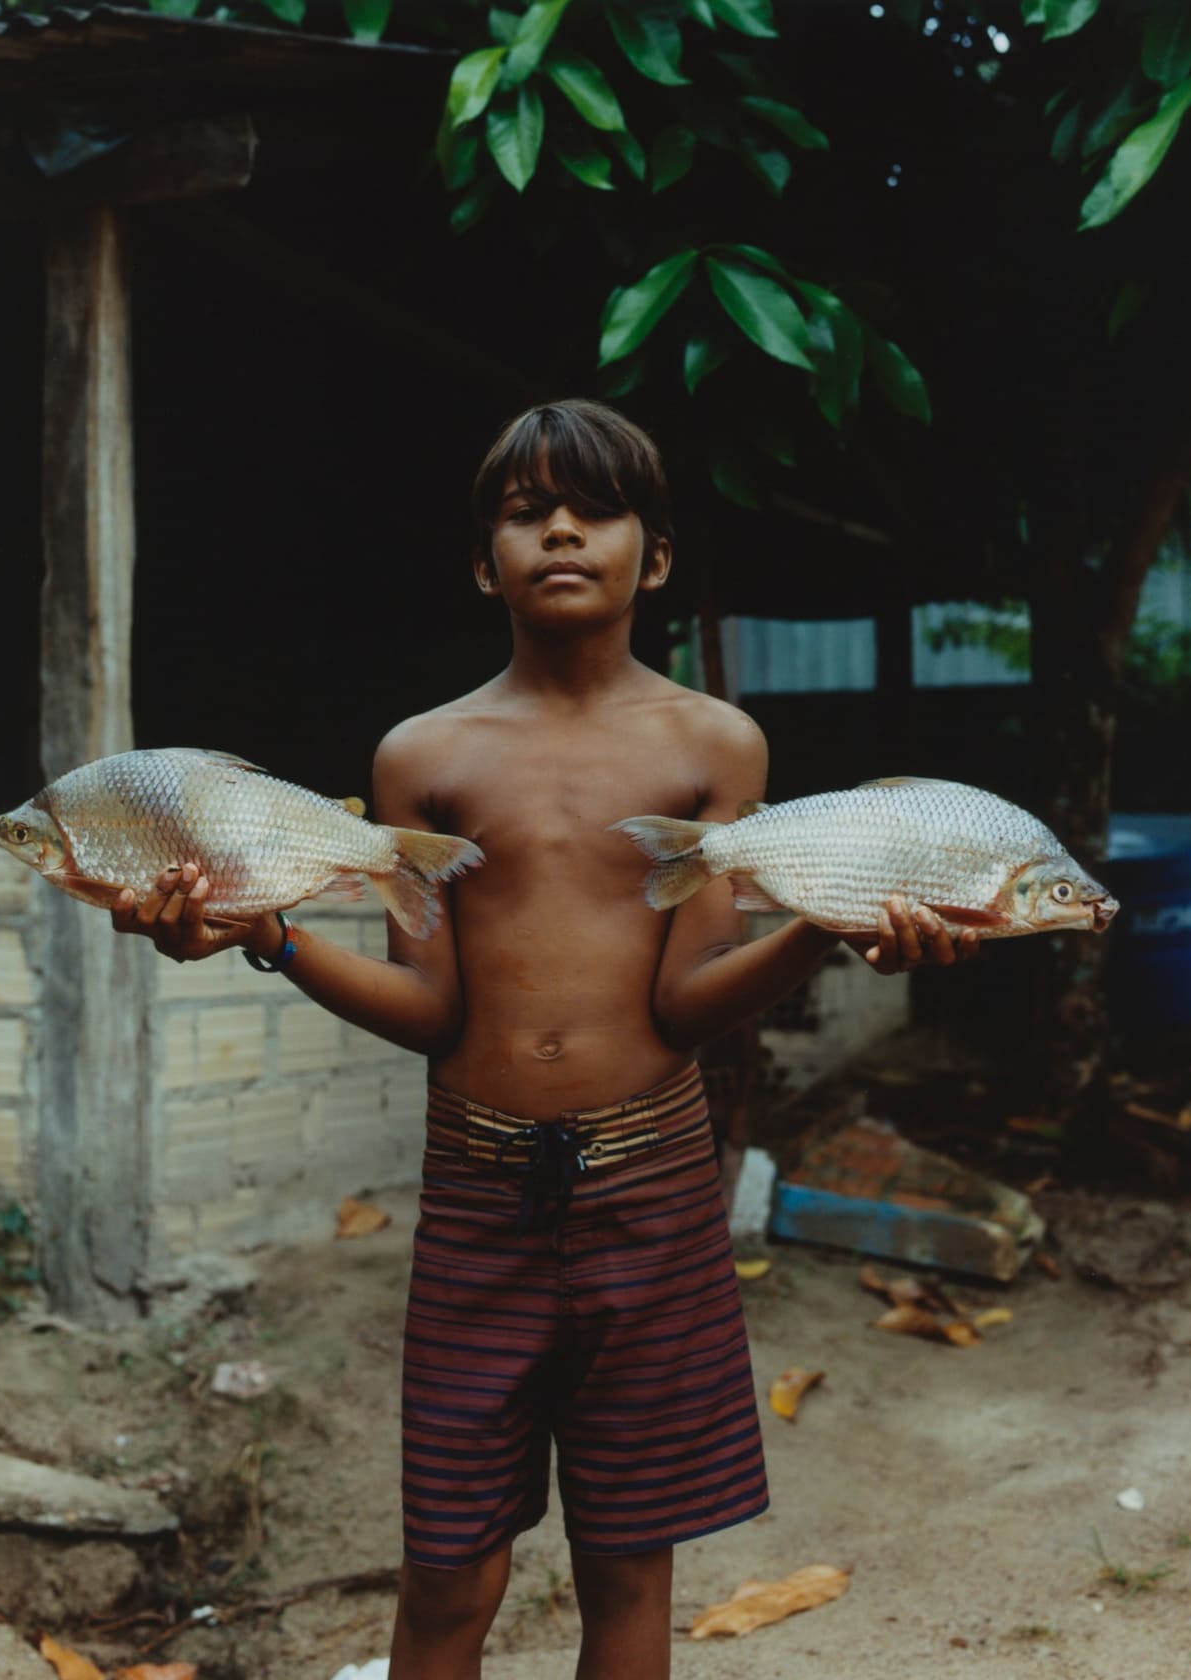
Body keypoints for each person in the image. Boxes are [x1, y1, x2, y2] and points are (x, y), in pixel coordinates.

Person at [112, 398, 974, 1680]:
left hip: (658, 1192)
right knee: (447, 1580)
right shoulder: (424, 755)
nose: (560, 529)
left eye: (595, 508)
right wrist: (264, 936)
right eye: (526, 513)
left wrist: (827, 931)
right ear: (485, 562)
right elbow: (435, 1015)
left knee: (628, 1575)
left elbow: (683, 1006)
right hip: (478, 1193)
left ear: (655, 555)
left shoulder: (713, 744)